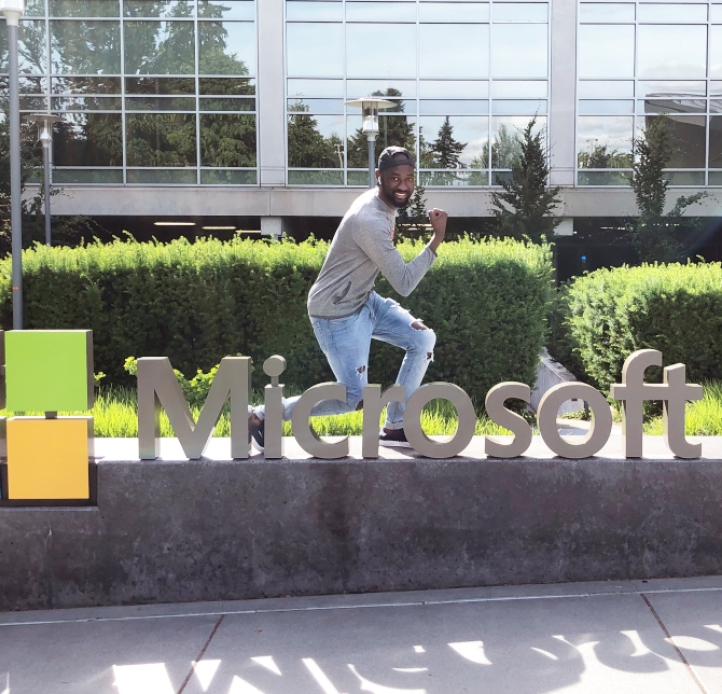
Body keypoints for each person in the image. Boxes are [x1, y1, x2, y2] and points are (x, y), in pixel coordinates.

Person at [249, 145, 447, 450]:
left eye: (409, 178)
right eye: (395, 178)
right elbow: (404, 283)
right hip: (336, 312)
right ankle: (262, 415)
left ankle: (396, 426)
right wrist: (437, 239)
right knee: (353, 397)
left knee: (422, 339)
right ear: (379, 176)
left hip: (363, 299)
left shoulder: (381, 204)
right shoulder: (370, 220)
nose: (404, 186)